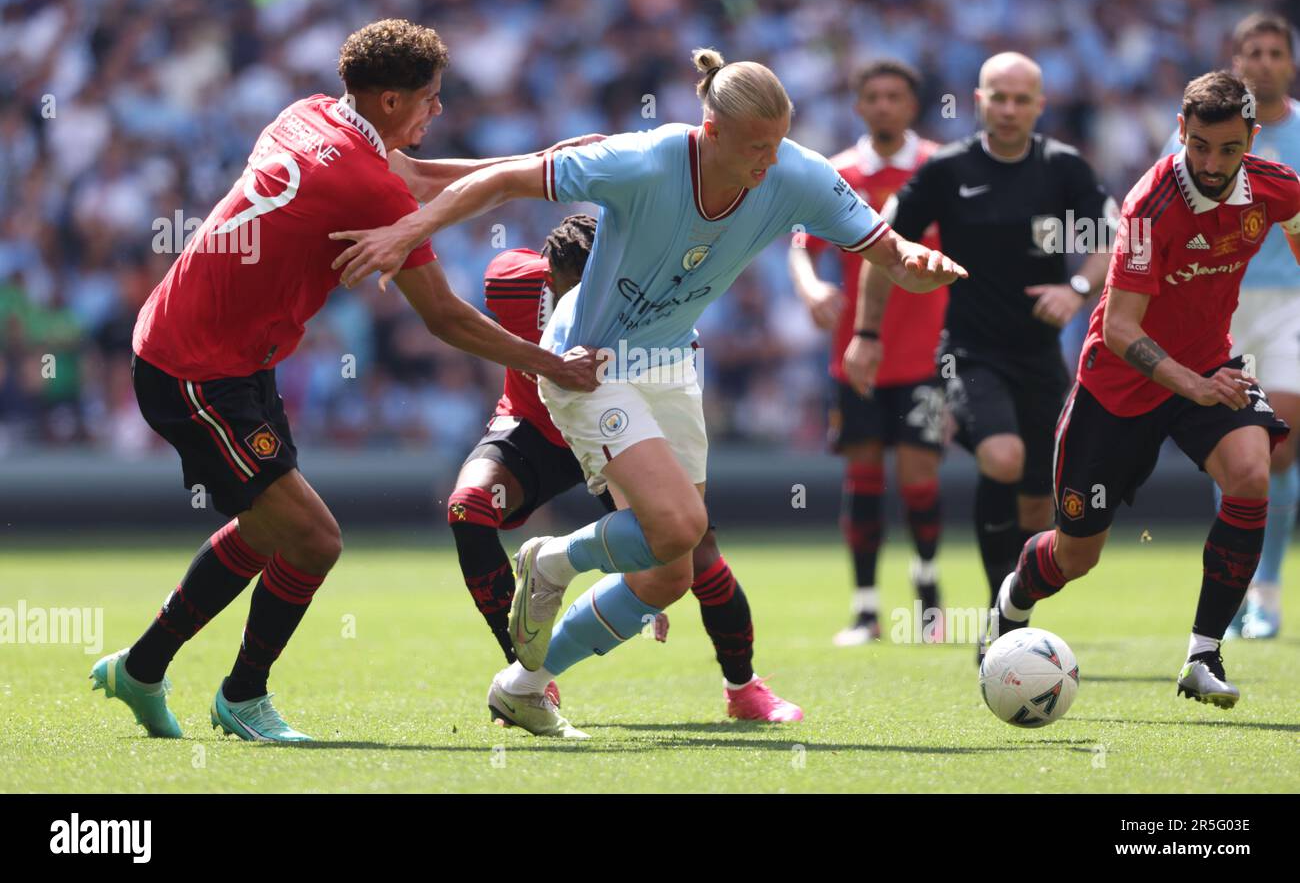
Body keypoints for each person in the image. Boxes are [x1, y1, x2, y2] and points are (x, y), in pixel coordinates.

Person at [331, 47, 966, 737]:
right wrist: (409, 227)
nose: (768, 162)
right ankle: (551, 560)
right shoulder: (646, 159)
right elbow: (510, 178)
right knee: (679, 531)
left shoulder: (796, 173)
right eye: (756, 146)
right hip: (588, 361)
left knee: (669, 574)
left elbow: (885, 249)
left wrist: (914, 264)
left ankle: (524, 683)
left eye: (778, 143)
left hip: (671, 366)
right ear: (710, 131)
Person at [90, 19, 598, 742]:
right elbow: (446, 319)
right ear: (390, 101)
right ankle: (242, 696)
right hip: (196, 369)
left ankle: (140, 670)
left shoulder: (309, 115)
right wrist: (551, 362)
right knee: (314, 539)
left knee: (272, 529)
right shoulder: (362, 184)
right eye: (429, 98)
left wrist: (536, 166)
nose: (438, 111)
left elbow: (412, 179)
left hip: (220, 352)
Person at [993, 71, 1300, 709]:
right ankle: (1013, 599)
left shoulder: (1276, 188)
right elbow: (1121, 328)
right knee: (1076, 557)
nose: (1211, 163)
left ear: (1252, 139)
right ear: (1181, 134)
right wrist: (1194, 383)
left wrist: (1204, 381)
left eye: (1227, 149)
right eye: (1198, 146)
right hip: (1119, 389)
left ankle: (1203, 653)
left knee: (1250, 472)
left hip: (1210, 369)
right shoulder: (1148, 205)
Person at [448, 214, 802, 730]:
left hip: (614, 433)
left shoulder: (645, 307)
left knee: (691, 551)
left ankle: (743, 689)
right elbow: (456, 322)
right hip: (535, 430)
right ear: (554, 280)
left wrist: (645, 558)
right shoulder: (511, 280)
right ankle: (526, 673)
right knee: (468, 507)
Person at [845, 52, 1115, 661]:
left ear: (1040, 105)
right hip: (966, 353)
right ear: (979, 99)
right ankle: (1000, 619)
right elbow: (882, 247)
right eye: (1000, 97)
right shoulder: (947, 170)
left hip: (1040, 358)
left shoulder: (1063, 168)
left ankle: (1008, 620)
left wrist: (1075, 290)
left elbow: (1111, 236)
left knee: (1036, 501)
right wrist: (867, 333)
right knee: (1002, 454)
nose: (1011, 109)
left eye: (1023, 99)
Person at [788, 59, 947, 645]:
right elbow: (801, 246)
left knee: (919, 475)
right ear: (859, 106)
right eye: (873, 96)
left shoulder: (937, 169)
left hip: (927, 353)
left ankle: (927, 594)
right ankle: (865, 608)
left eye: (894, 96)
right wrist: (811, 288)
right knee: (862, 475)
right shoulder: (838, 173)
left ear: (912, 105)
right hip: (855, 355)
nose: (883, 105)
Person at [1160, 13, 1300, 639]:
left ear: (1290, 63)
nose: (1265, 62)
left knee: (1280, 444)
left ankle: (1265, 591)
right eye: (1254, 52)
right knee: (1241, 450)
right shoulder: (1196, 139)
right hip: (1224, 306)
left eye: (1276, 52)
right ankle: (1236, 592)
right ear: (1237, 63)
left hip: (1290, 302)